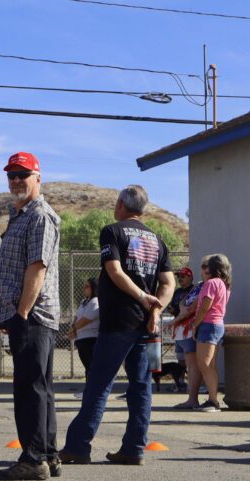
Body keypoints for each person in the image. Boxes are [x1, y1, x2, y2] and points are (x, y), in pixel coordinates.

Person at [59, 185, 174, 466]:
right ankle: (134, 448)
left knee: (99, 384)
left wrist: (143, 298)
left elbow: (114, 270)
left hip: (118, 322)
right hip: (146, 325)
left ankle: (78, 446)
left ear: (121, 204)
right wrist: (155, 308)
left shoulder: (112, 231)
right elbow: (169, 282)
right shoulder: (158, 240)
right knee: (140, 386)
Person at [0, 152, 62, 481]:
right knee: (40, 387)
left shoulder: (39, 216)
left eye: (23, 174)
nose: (16, 180)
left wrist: (21, 313)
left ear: (38, 177)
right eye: (12, 174)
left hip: (31, 315)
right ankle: (47, 454)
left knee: (30, 388)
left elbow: (37, 267)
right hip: (25, 314)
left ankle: (34, 459)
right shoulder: (19, 215)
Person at [188, 254, 231, 413]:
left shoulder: (211, 283)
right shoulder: (223, 284)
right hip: (217, 324)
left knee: (204, 364)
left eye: (207, 266)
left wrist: (195, 324)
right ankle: (213, 399)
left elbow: (205, 306)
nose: (204, 269)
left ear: (214, 267)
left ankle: (213, 401)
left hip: (208, 324)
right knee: (209, 365)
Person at [170, 272, 204, 409]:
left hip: (188, 328)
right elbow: (177, 307)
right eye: (179, 277)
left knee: (194, 364)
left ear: (190, 277)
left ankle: (195, 394)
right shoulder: (178, 291)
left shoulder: (197, 288)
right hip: (180, 329)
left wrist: (181, 312)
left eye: (183, 276)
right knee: (182, 361)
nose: (180, 279)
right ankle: (182, 385)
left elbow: (188, 308)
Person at [69, 277, 100, 379]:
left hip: (90, 340)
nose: (84, 288)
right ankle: (88, 391)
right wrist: (72, 327)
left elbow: (86, 320)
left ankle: (92, 391)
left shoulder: (96, 301)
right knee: (88, 367)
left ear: (93, 288)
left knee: (92, 367)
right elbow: (77, 317)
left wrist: (73, 328)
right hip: (81, 339)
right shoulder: (84, 301)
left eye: (87, 286)